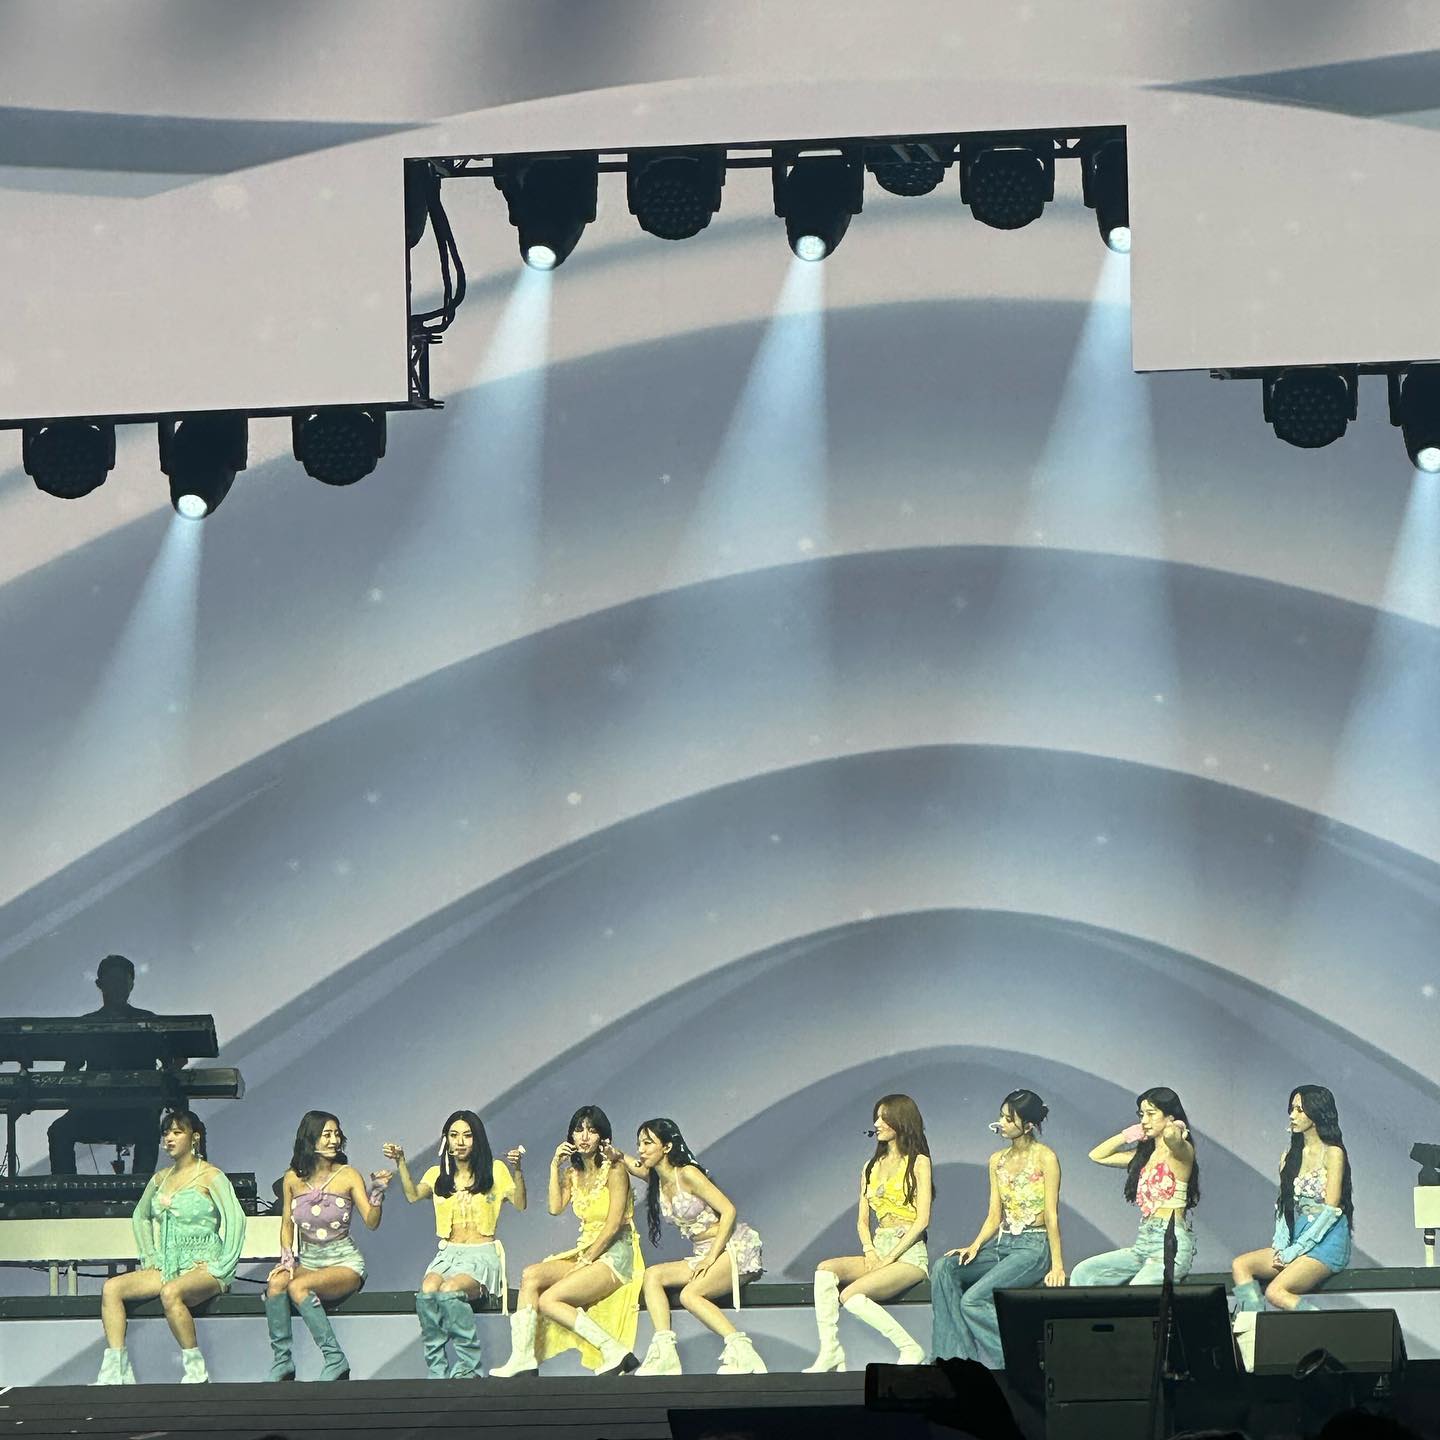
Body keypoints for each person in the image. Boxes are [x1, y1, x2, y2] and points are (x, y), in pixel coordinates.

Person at [94, 1109, 247, 1384]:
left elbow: (236, 1218)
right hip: (168, 1265)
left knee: (171, 1292)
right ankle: (117, 1369)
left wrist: (223, 1264)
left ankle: (195, 1369)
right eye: (166, 1133)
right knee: (111, 1289)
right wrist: (150, 1255)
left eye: (177, 1132)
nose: (169, 1138)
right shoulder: (160, 1178)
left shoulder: (210, 1175)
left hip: (203, 1265)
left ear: (194, 1137)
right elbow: (140, 1216)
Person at [491, 1105, 644, 1377]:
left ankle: (613, 1350)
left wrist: (587, 1260)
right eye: (578, 1130)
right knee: (530, 1275)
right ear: (571, 1136)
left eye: (592, 1131)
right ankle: (523, 1357)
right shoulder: (572, 1174)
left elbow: (612, 1226)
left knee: (550, 1299)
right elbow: (554, 1207)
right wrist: (554, 1166)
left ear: (603, 1137)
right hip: (585, 1251)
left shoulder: (615, 1169)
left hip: (614, 1254)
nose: (584, 1137)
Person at [609, 1117, 766, 1375]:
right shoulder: (658, 1181)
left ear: (667, 1147)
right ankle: (666, 1354)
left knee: (689, 1295)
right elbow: (634, 1165)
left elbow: (728, 1210)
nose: (641, 1150)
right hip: (703, 1252)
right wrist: (615, 1154)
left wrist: (711, 1257)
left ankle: (743, 1353)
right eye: (639, 1144)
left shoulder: (688, 1174)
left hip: (732, 1247)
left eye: (648, 1143)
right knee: (652, 1275)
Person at [382, 1111, 526, 1378]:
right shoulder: (438, 1175)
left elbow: (520, 1203)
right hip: (448, 1254)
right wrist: (401, 1162)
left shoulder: (495, 1170)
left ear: (477, 1139)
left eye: (467, 1136)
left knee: (449, 1290)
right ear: (446, 1140)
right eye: (454, 1135)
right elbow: (413, 1195)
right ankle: (437, 1368)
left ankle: (469, 1366)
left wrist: (518, 1170)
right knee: (428, 1291)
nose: (460, 1142)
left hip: (481, 1255)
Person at [931, 1089, 1066, 1368]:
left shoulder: (1045, 1158)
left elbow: (1051, 1215)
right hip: (1002, 1245)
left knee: (973, 1301)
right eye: (1001, 1116)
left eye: (1009, 1119)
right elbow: (994, 1215)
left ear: (1027, 1125)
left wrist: (1057, 1265)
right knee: (944, 1268)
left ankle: (1022, 1360)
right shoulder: (997, 1160)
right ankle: (957, 1359)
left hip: (1032, 1248)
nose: (1001, 1123)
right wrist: (975, 1245)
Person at [805, 1094, 933, 1371]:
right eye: (876, 1117)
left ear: (901, 1120)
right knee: (825, 1270)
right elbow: (862, 1222)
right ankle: (830, 1350)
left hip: (908, 1257)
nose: (877, 1124)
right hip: (878, 1252)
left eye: (884, 1118)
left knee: (850, 1295)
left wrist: (889, 1258)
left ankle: (910, 1347)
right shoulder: (870, 1167)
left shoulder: (918, 1162)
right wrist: (871, 1251)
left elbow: (922, 1220)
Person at [263, 1111, 391, 1382]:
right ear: (310, 1140)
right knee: (276, 1284)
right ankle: (283, 1361)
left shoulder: (348, 1175)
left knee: (298, 1287)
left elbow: (371, 1221)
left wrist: (378, 1192)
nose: (334, 1140)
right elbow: (287, 1224)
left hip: (344, 1262)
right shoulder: (292, 1179)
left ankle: (335, 1358)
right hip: (309, 1261)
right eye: (327, 1134)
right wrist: (287, 1260)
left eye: (337, 1134)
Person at [1231, 1085, 1354, 1312]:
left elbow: (1330, 1210)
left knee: (1275, 1292)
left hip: (1327, 1238)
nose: (1292, 1115)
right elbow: (1283, 1206)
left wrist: (1295, 1251)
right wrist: (1281, 1246)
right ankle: (1253, 1323)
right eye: (1291, 1109)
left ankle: (1324, 1325)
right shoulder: (1289, 1156)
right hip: (1298, 1235)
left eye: (1299, 1110)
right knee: (1241, 1265)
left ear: (1316, 1114)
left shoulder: (1333, 1153)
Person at [49, 954, 173, 1175]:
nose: (118, 988)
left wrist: (155, 1098)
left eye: (122, 982)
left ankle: (140, 1189)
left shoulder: (147, 1021)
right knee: (59, 1131)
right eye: (113, 982)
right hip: (95, 1109)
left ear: (131, 985)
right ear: (101, 984)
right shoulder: (87, 1024)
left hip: (136, 1109)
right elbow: (71, 1069)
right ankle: (67, 1193)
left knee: (148, 1129)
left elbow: (173, 1060)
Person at [1071, 1086, 1199, 1285]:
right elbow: (1097, 1155)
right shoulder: (1143, 1157)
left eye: (1151, 1113)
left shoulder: (1182, 1153)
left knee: (1139, 1289)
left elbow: (1172, 1138)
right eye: (1141, 1115)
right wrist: (1129, 1134)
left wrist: (1176, 1126)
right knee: (1084, 1273)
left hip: (1170, 1243)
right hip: (1143, 1243)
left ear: (1170, 1116)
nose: (1144, 1120)